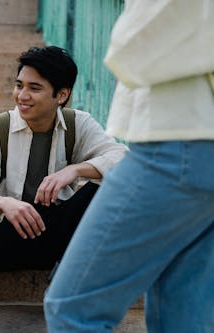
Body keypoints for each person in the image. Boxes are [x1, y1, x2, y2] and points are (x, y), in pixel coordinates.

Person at [44, 1, 214, 332]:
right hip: (196, 144)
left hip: (175, 144)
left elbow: (132, 46)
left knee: (73, 310)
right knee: (180, 317)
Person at [0, 46, 128, 333]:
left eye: (34, 88)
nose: (22, 96)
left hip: (61, 237)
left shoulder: (77, 124)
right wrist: (5, 204)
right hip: (11, 232)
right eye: (19, 85)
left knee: (104, 190)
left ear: (61, 95)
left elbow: (124, 160)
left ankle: (69, 276)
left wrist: (76, 169)